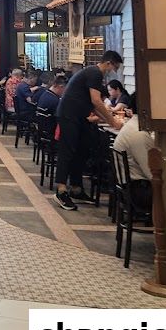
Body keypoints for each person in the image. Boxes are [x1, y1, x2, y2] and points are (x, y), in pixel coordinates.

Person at [53, 51, 123, 211]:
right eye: (115, 67)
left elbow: (92, 105)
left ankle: (76, 189)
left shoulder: (93, 74)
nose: (114, 71)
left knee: (82, 150)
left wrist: (109, 119)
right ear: (109, 63)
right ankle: (61, 191)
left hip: (79, 116)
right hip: (69, 115)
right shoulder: (95, 72)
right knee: (68, 150)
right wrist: (112, 121)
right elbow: (96, 101)